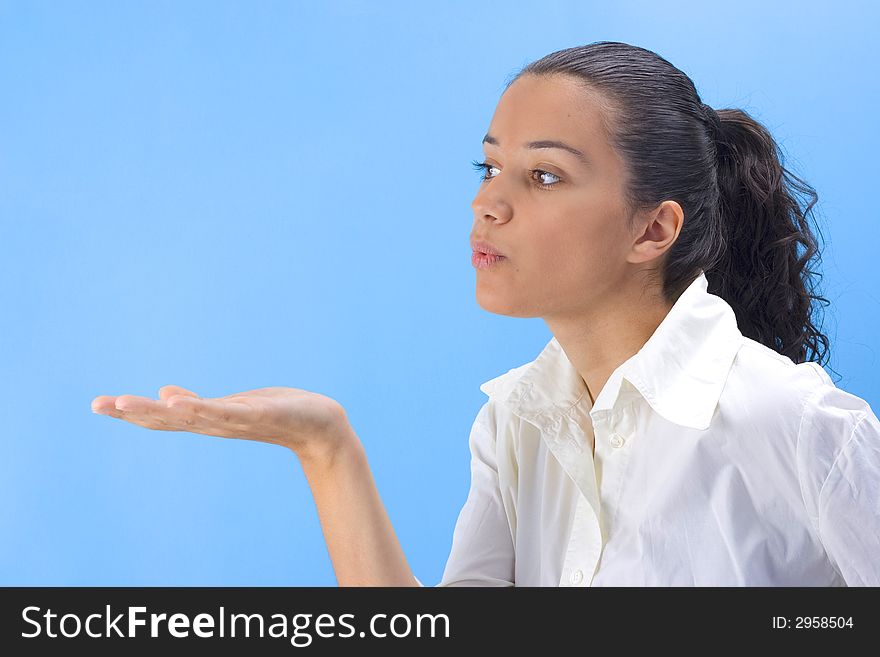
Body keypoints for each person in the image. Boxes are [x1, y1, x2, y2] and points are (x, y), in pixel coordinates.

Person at [92, 41, 880, 587]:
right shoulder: (514, 425)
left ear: (654, 229)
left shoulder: (801, 426)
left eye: (542, 176)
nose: (487, 202)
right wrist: (325, 445)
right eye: (491, 164)